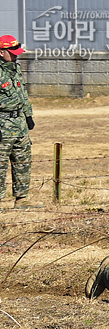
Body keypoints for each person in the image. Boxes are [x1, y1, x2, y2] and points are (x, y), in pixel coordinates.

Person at [0, 34, 42, 210]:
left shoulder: (15, 69)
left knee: (22, 161)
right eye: (13, 52)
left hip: (19, 123)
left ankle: (21, 199)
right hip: (3, 123)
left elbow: (22, 93)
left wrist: (28, 116)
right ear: (2, 52)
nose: (16, 55)